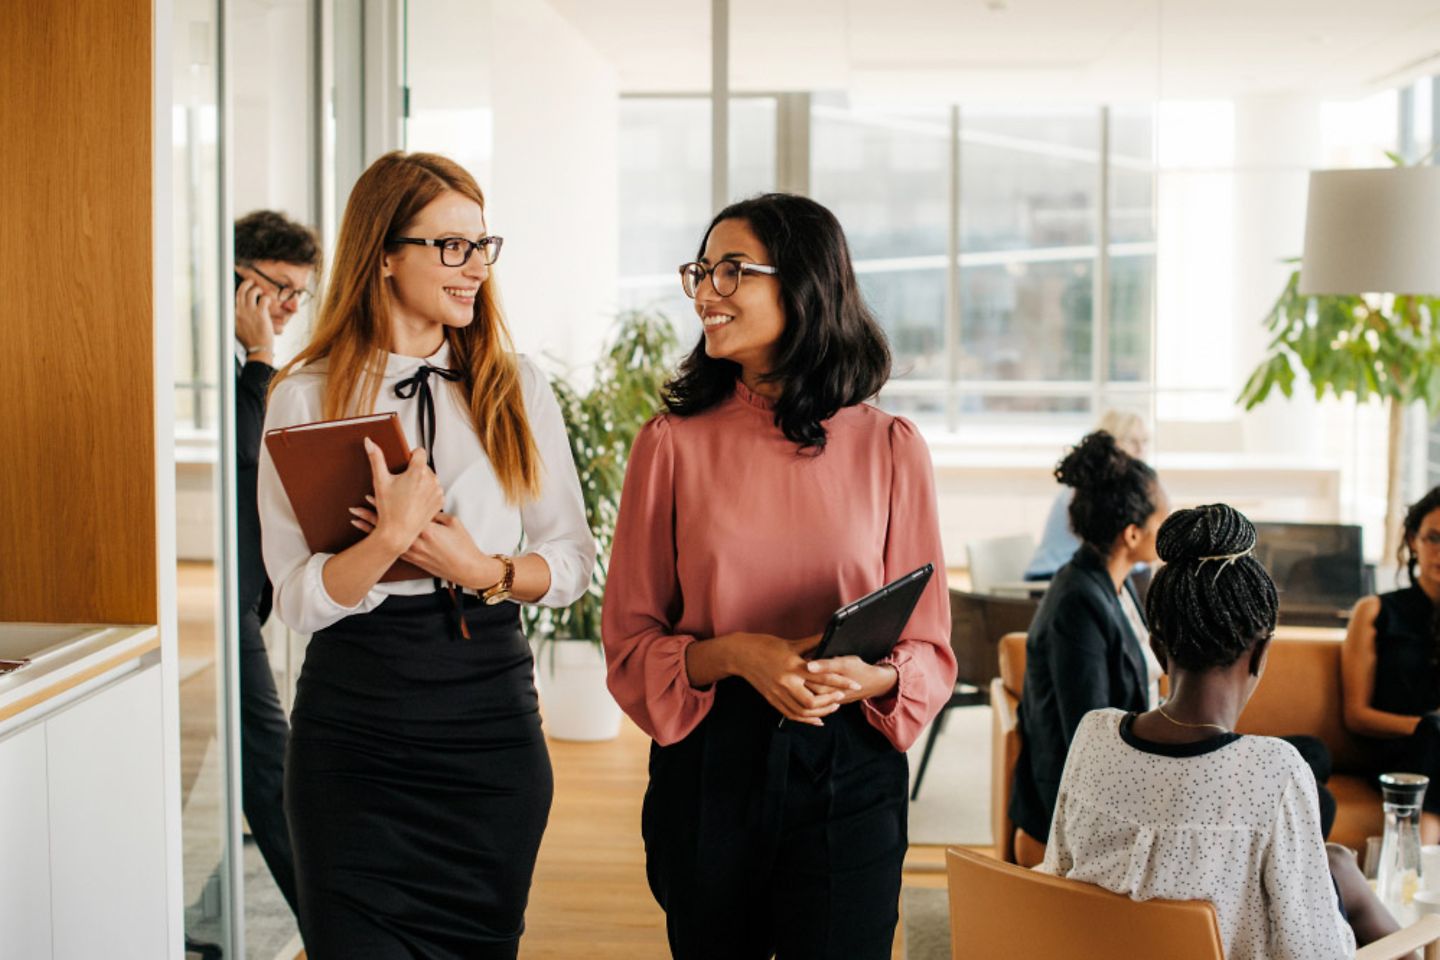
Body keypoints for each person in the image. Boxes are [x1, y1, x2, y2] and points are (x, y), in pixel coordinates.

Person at [602, 193, 957, 960]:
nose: (706, 293)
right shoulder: (669, 446)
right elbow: (631, 644)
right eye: (701, 271)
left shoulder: (892, 447)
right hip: (709, 764)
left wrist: (871, 679)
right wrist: (737, 654)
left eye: (733, 272)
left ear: (804, 282)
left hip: (849, 766)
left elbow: (927, 650)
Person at [257, 151, 595, 958]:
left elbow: (575, 559)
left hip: (490, 726)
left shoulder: (516, 386)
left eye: (482, 246)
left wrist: (487, 573)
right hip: (355, 733)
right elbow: (297, 600)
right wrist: (387, 540)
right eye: (451, 246)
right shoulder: (306, 396)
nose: (475, 267)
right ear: (382, 255)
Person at [1041, 503, 1401, 959]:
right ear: (1262, 652)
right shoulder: (1275, 772)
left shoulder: (1093, 737)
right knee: (1355, 886)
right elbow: (1313, 953)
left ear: (1156, 647)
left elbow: (1055, 883)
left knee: (1337, 866)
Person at [1009, 430, 1170, 857]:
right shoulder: (1077, 603)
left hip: (1128, 776)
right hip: (1082, 804)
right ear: (1132, 535)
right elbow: (1091, 731)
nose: (1167, 527)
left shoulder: (1118, 584)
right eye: (1162, 519)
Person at [232, 209, 320, 917]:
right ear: (241, 282)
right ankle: (329, 921)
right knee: (270, 766)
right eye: (280, 289)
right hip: (224, 606)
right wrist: (261, 360)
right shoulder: (235, 360)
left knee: (253, 761)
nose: (291, 308)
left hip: (248, 596)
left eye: (300, 294)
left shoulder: (254, 363)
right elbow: (246, 453)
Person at [1343, 485, 1440, 843]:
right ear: (1414, 540)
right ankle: (1420, 865)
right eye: (1434, 538)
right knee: (1436, 733)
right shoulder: (1375, 612)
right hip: (1396, 757)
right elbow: (1357, 715)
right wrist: (1428, 727)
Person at [1024, 409, 1150, 581]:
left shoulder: (1119, 487)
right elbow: (1109, 545)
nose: (1141, 450)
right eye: (1132, 441)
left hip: (1082, 577)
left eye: (1145, 441)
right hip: (1053, 580)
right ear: (1110, 443)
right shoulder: (1089, 486)